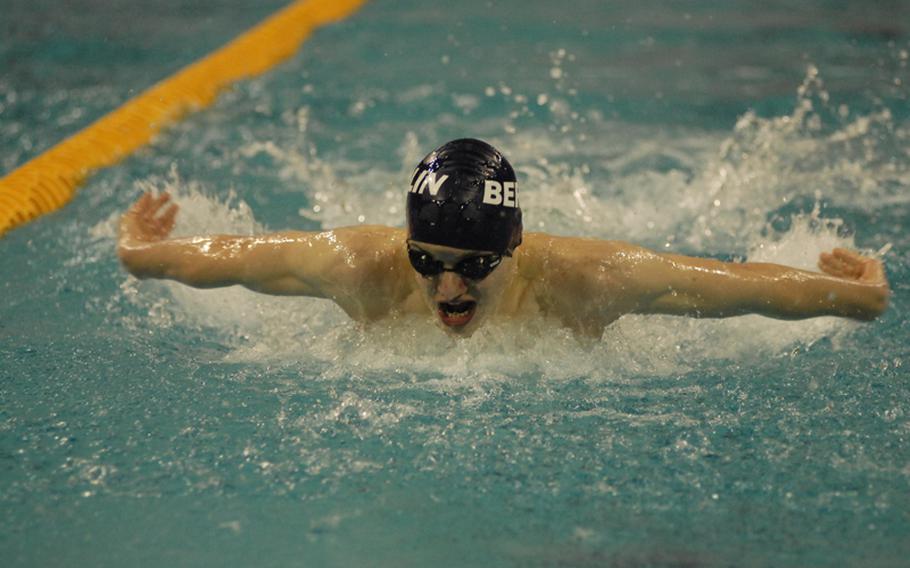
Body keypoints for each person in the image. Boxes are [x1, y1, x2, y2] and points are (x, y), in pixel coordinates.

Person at [117, 138, 890, 337]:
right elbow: (234, 261)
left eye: (473, 267)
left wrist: (859, 299)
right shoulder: (362, 268)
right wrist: (138, 253)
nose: (448, 289)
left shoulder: (590, 282)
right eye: (429, 263)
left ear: (513, 247)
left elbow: (741, 287)